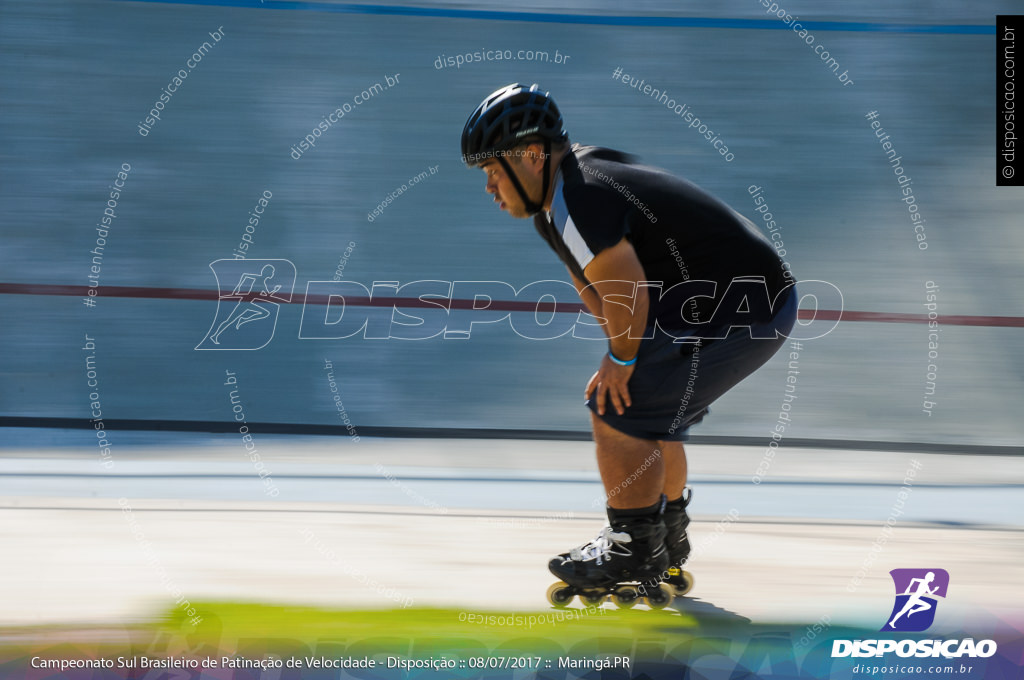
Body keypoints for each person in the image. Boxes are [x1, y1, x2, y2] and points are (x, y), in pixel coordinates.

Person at [461, 83, 798, 601]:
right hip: (744, 300)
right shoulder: (561, 198)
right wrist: (625, 364)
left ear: (530, 156)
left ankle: (633, 545)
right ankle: (662, 535)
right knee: (640, 405)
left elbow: (628, 290)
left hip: (739, 306)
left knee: (614, 410)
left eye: (491, 170)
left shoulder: (580, 196)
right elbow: (597, 291)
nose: (487, 187)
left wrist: (622, 359)